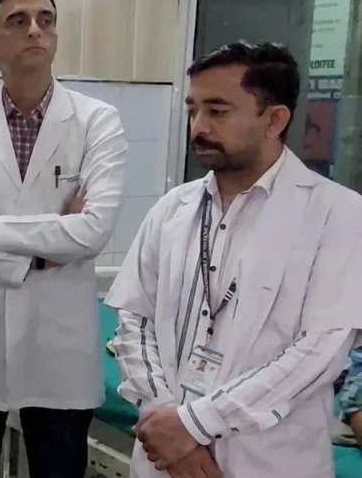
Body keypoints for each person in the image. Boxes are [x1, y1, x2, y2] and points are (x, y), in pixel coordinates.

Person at [105, 42, 362, 478]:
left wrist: (194, 424)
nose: (198, 127)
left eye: (217, 111)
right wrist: (165, 420)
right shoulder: (173, 208)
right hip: (165, 457)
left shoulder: (337, 215)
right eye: (193, 110)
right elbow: (134, 322)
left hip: (270, 462)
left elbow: (318, 355)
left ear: (274, 120)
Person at [0, 0, 127, 478]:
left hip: (60, 349)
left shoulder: (97, 122)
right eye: (18, 21)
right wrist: (45, 252)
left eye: (45, 20)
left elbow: (94, 230)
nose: (35, 30)